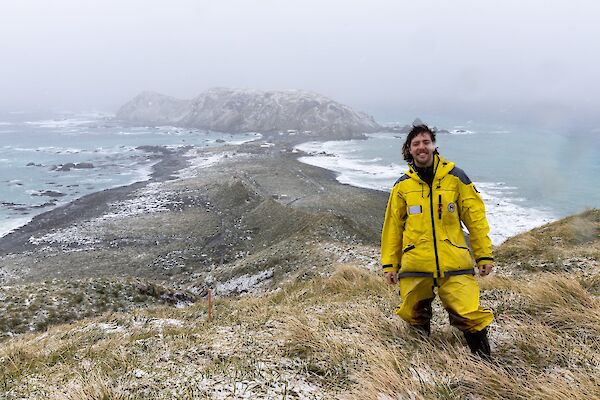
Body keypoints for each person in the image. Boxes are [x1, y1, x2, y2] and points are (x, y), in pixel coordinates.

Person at [381, 124, 494, 358]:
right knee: (414, 313)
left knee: (469, 312)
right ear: (409, 150)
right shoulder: (402, 186)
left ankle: (485, 364)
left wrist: (484, 255)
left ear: (433, 146)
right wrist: (390, 264)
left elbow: (476, 219)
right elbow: (393, 228)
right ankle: (422, 362)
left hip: (455, 262)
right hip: (416, 264)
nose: (421, 147)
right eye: (416, 144)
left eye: (426, 142)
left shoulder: (456, 178)